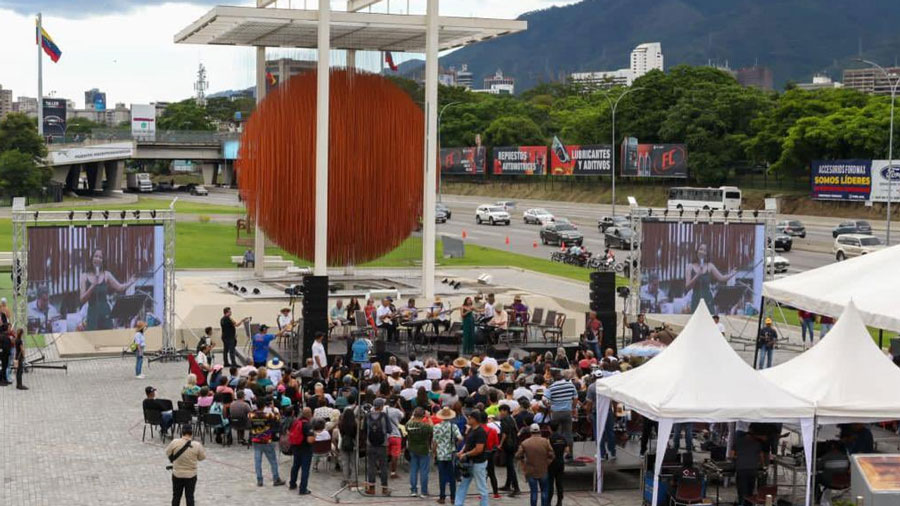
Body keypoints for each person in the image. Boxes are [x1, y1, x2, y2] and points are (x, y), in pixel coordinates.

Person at [80, 248, 137, 331]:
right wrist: (93, 285)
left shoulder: (106, 274)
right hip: (92, 315)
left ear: (103, 261)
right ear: (91, 258)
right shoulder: (84, 276)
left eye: (100, 257)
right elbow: (82, 299)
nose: (98, 259)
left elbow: (119, 287)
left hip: (105, 314)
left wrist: (131, 282)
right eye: (96, 256)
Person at [685, 243, 736, 313]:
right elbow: (687, 286)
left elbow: (721, 278)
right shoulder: (690, 266)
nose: (702, 252)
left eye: (705, 250)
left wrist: (732, 274)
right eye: (700, 249)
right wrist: (697, 275)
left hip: (707, 298)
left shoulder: (710, 266)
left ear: (707, 254)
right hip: (696, 298)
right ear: (697, 251)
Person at [455, 410, 490, 506]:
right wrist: (462, 451)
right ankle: (458, 504)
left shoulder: (480, 432)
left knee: (481, 487)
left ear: (474, 419)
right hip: (468, 463)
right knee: (462, 485)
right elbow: (467, 443)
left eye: (469, 417)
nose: (468, 419)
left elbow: (479, 449)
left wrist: (466, 454)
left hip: (478, 463)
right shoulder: (471, 430)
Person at [165, 424, 206, 506]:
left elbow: (167, 452)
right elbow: (202, 457)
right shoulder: (196, 445)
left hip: (177, 474)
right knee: (190, 496)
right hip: (191, 475)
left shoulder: (175, 442)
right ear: (191, 433)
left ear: (182, 432)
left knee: (176, 496)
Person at [248, 397, 285, 487]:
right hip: (266, 440)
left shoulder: (251, 415)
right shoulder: (268, 415)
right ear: (264, 405)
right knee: (273, 460)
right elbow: (278, 417)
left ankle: (259, 480)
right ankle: (276, 478)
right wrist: (273, 408)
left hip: (256, 440)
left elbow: (249, 415)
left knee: (257, 461)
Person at [516, 424, 555, 506]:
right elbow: (552, 455)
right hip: (543, 470)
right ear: (539, 431)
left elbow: (518, 455)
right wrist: (547, 463)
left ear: (531, 431)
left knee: (534, 492)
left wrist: (524, 463)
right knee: (544, 491)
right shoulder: (545, 441)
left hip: (530, 471)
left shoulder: (525, 443)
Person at [434, 407, 463, 504]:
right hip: (451, 453)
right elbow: (460, 438)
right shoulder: (453, 426)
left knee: (442, 476)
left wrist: (434, 451)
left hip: (440, 454)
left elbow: (434, 442)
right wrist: (455, 444)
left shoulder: (436, 426)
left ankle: (442, 497)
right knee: (452, 477)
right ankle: (453, 497)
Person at [365, 397, 393, 496]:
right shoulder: (384, 416)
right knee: (383, 467)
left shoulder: (368, 416)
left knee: (371, 466)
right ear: (381, 406)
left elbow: (364, 429)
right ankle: (384, 489)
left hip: (370, 444)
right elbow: (390, 430)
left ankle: (371, 488)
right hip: (382, 445)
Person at [547, 369, 576, 458]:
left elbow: (545, 400)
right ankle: (570, 453)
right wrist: (573, 408)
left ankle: (557, 453)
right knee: (568, 433)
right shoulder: (570, 385)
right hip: (567, 411)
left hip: (556, 412)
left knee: (556, 433)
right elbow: (575, 398)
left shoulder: (551, 387)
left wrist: (550, 407)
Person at [731, 428, 765, 506]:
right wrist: (762, 465)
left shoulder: (737, 442)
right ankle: (749, 504)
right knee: (750, 491)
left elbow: (732, 455)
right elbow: (761, 456)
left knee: (742, 491)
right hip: (753, 469)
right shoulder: (757, 443)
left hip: (741, 469)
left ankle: (741, 503)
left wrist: (739, 457)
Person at [407, 407, 434, 497]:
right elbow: (432, 428)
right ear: (423, 416)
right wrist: (429, 417)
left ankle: (413, 490)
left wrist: (412, 417)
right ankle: (424, 491)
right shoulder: (424, 426)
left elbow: (407, 424)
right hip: (423, 449)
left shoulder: (409, 425)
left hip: (413, 448)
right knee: (424, 471)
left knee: (413, 470)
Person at [288, 407, 315, 494]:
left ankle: (292, 484)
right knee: (305, 469)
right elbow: (310, 440)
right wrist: (315, 436)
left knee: (295, 466)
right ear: (310, 414)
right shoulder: (308, 425)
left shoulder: (296, 422)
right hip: (305, 449)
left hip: (296, 447)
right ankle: (303, 489)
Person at [498, 404, 521, 497]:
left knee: (510, 466)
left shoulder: (504, 420)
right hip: (514, 444)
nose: (500, 413)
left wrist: (500, 444)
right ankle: (508, 485)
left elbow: (504, 434)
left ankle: (516, 488)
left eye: (501, 411)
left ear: (505, 411)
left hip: (508, 445)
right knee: (509, 464)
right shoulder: (512, 419)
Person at [547, 421, 567, 506]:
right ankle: (559, 501)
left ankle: (548, 501)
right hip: (560, 461)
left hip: (552, 463)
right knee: (559, 482)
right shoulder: (563, 438)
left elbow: (548, 450)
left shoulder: (549, 438)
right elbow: (567, 450)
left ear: (549, 428)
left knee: (550, 483)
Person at [337, 407, 358, 488]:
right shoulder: (355, 424)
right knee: (353, 462)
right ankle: (353, 479)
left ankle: (345, 479)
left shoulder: (341, 424)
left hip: (344, 443)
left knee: (345, 462)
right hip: (353, 444)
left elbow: (341, 434)